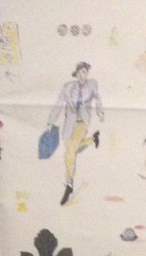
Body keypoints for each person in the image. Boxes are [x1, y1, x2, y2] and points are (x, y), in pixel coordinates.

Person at [47, 61, 104, 206]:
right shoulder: (68, 87)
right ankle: (92, 139)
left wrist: (100, 111)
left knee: (69, 153)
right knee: (73, 150)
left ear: (87, 73)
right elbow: (59, 104)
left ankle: (69, 184)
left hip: (82, 123)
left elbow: (98, 99)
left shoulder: (92, 84)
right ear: (76, 74)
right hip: (69, 124)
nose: (81, 75)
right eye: (79, 73)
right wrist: (51, 121)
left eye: (84, 72)